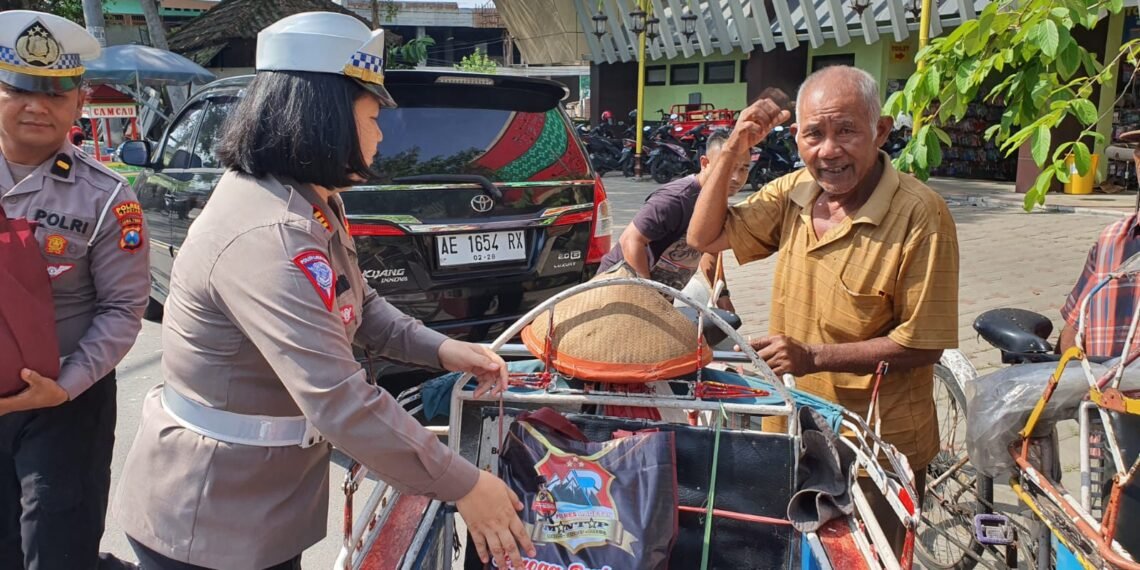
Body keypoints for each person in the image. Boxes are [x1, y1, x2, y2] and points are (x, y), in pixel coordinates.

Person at [114, 12, 534, 570]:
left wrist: (440, 349)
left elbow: (357, 303)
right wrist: (463, 484)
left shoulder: (308, 202)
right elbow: (339, 401)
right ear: (322, 118)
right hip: (211, 517)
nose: (382, 134)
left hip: (260, 506)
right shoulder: (267, 234)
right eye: (370, 116)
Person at [687, 66, 960, 551]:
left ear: (880, 131)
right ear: (796, 139)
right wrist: (733, 147)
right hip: (792, 429)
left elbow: (924, 344)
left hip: (877, 446)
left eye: (846, 131)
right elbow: (703, 236)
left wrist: (812, 357)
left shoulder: (921, 214)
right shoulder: (793, 193)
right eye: (814, 135)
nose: (828, 151)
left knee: (868, 558)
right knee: (791, 552)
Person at [0, 11, 151, 570]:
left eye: (55, 91)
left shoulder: (108, 198)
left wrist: (64, 386)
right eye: (19, 87)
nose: (36, 104)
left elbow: (123, 308)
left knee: (57, 549)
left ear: (79, 103)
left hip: (66, 401)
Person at [598, 130, 749, 312]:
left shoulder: (719, 202)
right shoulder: (675, 199)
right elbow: (631, 240)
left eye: (744, 168)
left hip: (660, 301)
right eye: (728, 168)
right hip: (616, 292)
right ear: (705, 163)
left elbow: (710, 252)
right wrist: (651, 299)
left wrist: (722, 295)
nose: (736, 178)